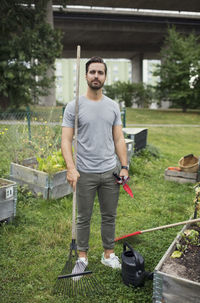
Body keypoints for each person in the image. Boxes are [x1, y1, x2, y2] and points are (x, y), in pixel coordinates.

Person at [61, 56, 129, 273]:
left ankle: (108, 254)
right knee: (83, 217)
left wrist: (124, 166)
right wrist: (71, 167)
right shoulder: (74, 106)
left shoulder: (112, 106)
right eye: (92, 72)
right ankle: (82, 257)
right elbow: (65, 140)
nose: (96, 76)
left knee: (109, 216)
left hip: (110, 171)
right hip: (84, 172)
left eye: (100, 72)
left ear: (105, 77)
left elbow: (119, 139)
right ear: (86, 76)